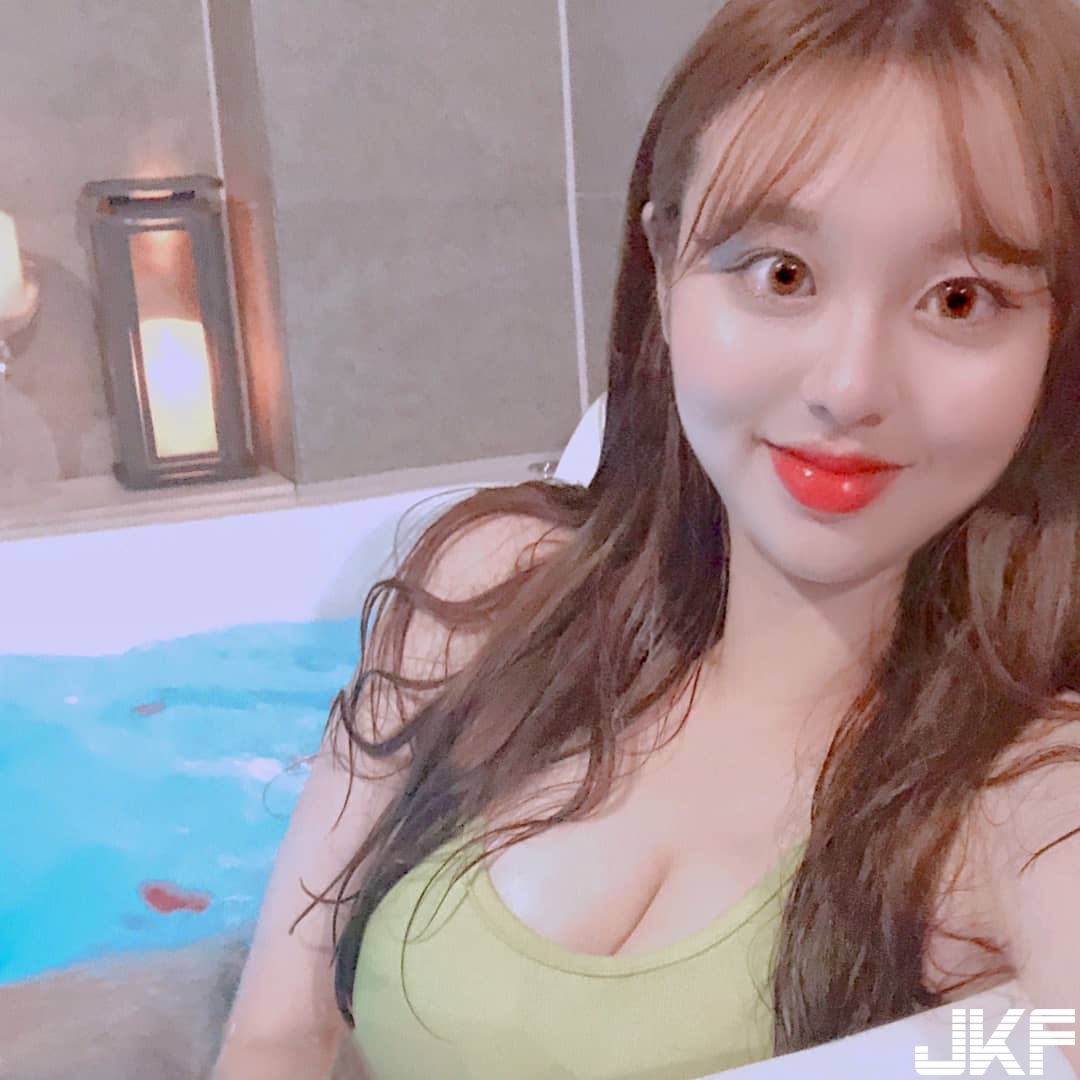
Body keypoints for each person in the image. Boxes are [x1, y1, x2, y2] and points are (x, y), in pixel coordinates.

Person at [213, 0, 1080, 1076]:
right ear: (665, 266)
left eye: (960, 299)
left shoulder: (1022, 797)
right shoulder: (488, 594)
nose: (850, 386)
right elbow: (280, 1033)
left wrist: (999, 1042)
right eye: (782, 274)